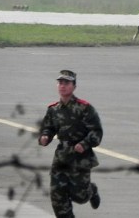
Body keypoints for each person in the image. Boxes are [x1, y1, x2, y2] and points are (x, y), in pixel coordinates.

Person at [38, 70, 102, 217]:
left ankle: (91, 190)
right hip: (61, 157)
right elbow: (48, 127)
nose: (62, 86)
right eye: (60, 83)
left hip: (81, 157)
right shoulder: (53, 109)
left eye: (66, 83)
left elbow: (96, 132)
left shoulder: (85, 108)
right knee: (57, 195)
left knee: (79, 196)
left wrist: (84, 144)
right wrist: (45, 136)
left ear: (74, 86)